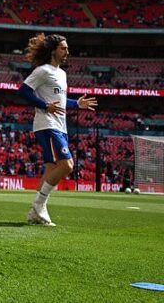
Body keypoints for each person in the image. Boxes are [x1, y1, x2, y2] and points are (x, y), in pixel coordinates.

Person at [18, 33, 97, 226]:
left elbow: (59, 102)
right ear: (53, 50)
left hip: (60, 125)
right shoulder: (43, 71)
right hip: (47, 124)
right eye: (63, 47)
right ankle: (39, 205)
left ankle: (34, 213)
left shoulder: (62, 73)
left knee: (52, 168)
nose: (67, 51)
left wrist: (77, 103)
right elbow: (23, 91)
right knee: (67, 165)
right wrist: (45, 106)